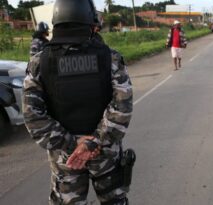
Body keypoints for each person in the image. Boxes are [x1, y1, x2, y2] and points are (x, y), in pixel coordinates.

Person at [23, 0, 134, 204]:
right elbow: (122, 108)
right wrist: (94, 142)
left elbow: (33, 116)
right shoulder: (111, 58)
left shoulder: (39, 62)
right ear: (91, 23)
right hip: (105, 152)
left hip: (67, 157)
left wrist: (73, 144)